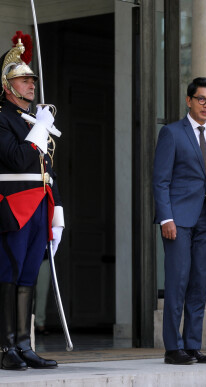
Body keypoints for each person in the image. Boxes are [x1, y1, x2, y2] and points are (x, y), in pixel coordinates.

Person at [0, 32, 63, 370]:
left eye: (31, 79)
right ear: (8, 85)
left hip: (40, 206)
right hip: (12, 205)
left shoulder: (36, 120)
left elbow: (49, 169)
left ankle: (24, 346)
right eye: (23, 79)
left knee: (28, 276)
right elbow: (16, 159)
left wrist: (59, 214)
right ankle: (5, 347)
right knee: (8, 272)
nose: (30, 84)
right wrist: (40, 129)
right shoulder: (4, 119)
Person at [153, 77, 206, 365]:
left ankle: (193, 344)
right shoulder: (171, 133)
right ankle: (174, 347)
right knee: (178, 282)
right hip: (178, 221)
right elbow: (160, 181)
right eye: (201, 99)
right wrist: (165, 217)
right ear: (189, 100)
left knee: (199, 283)